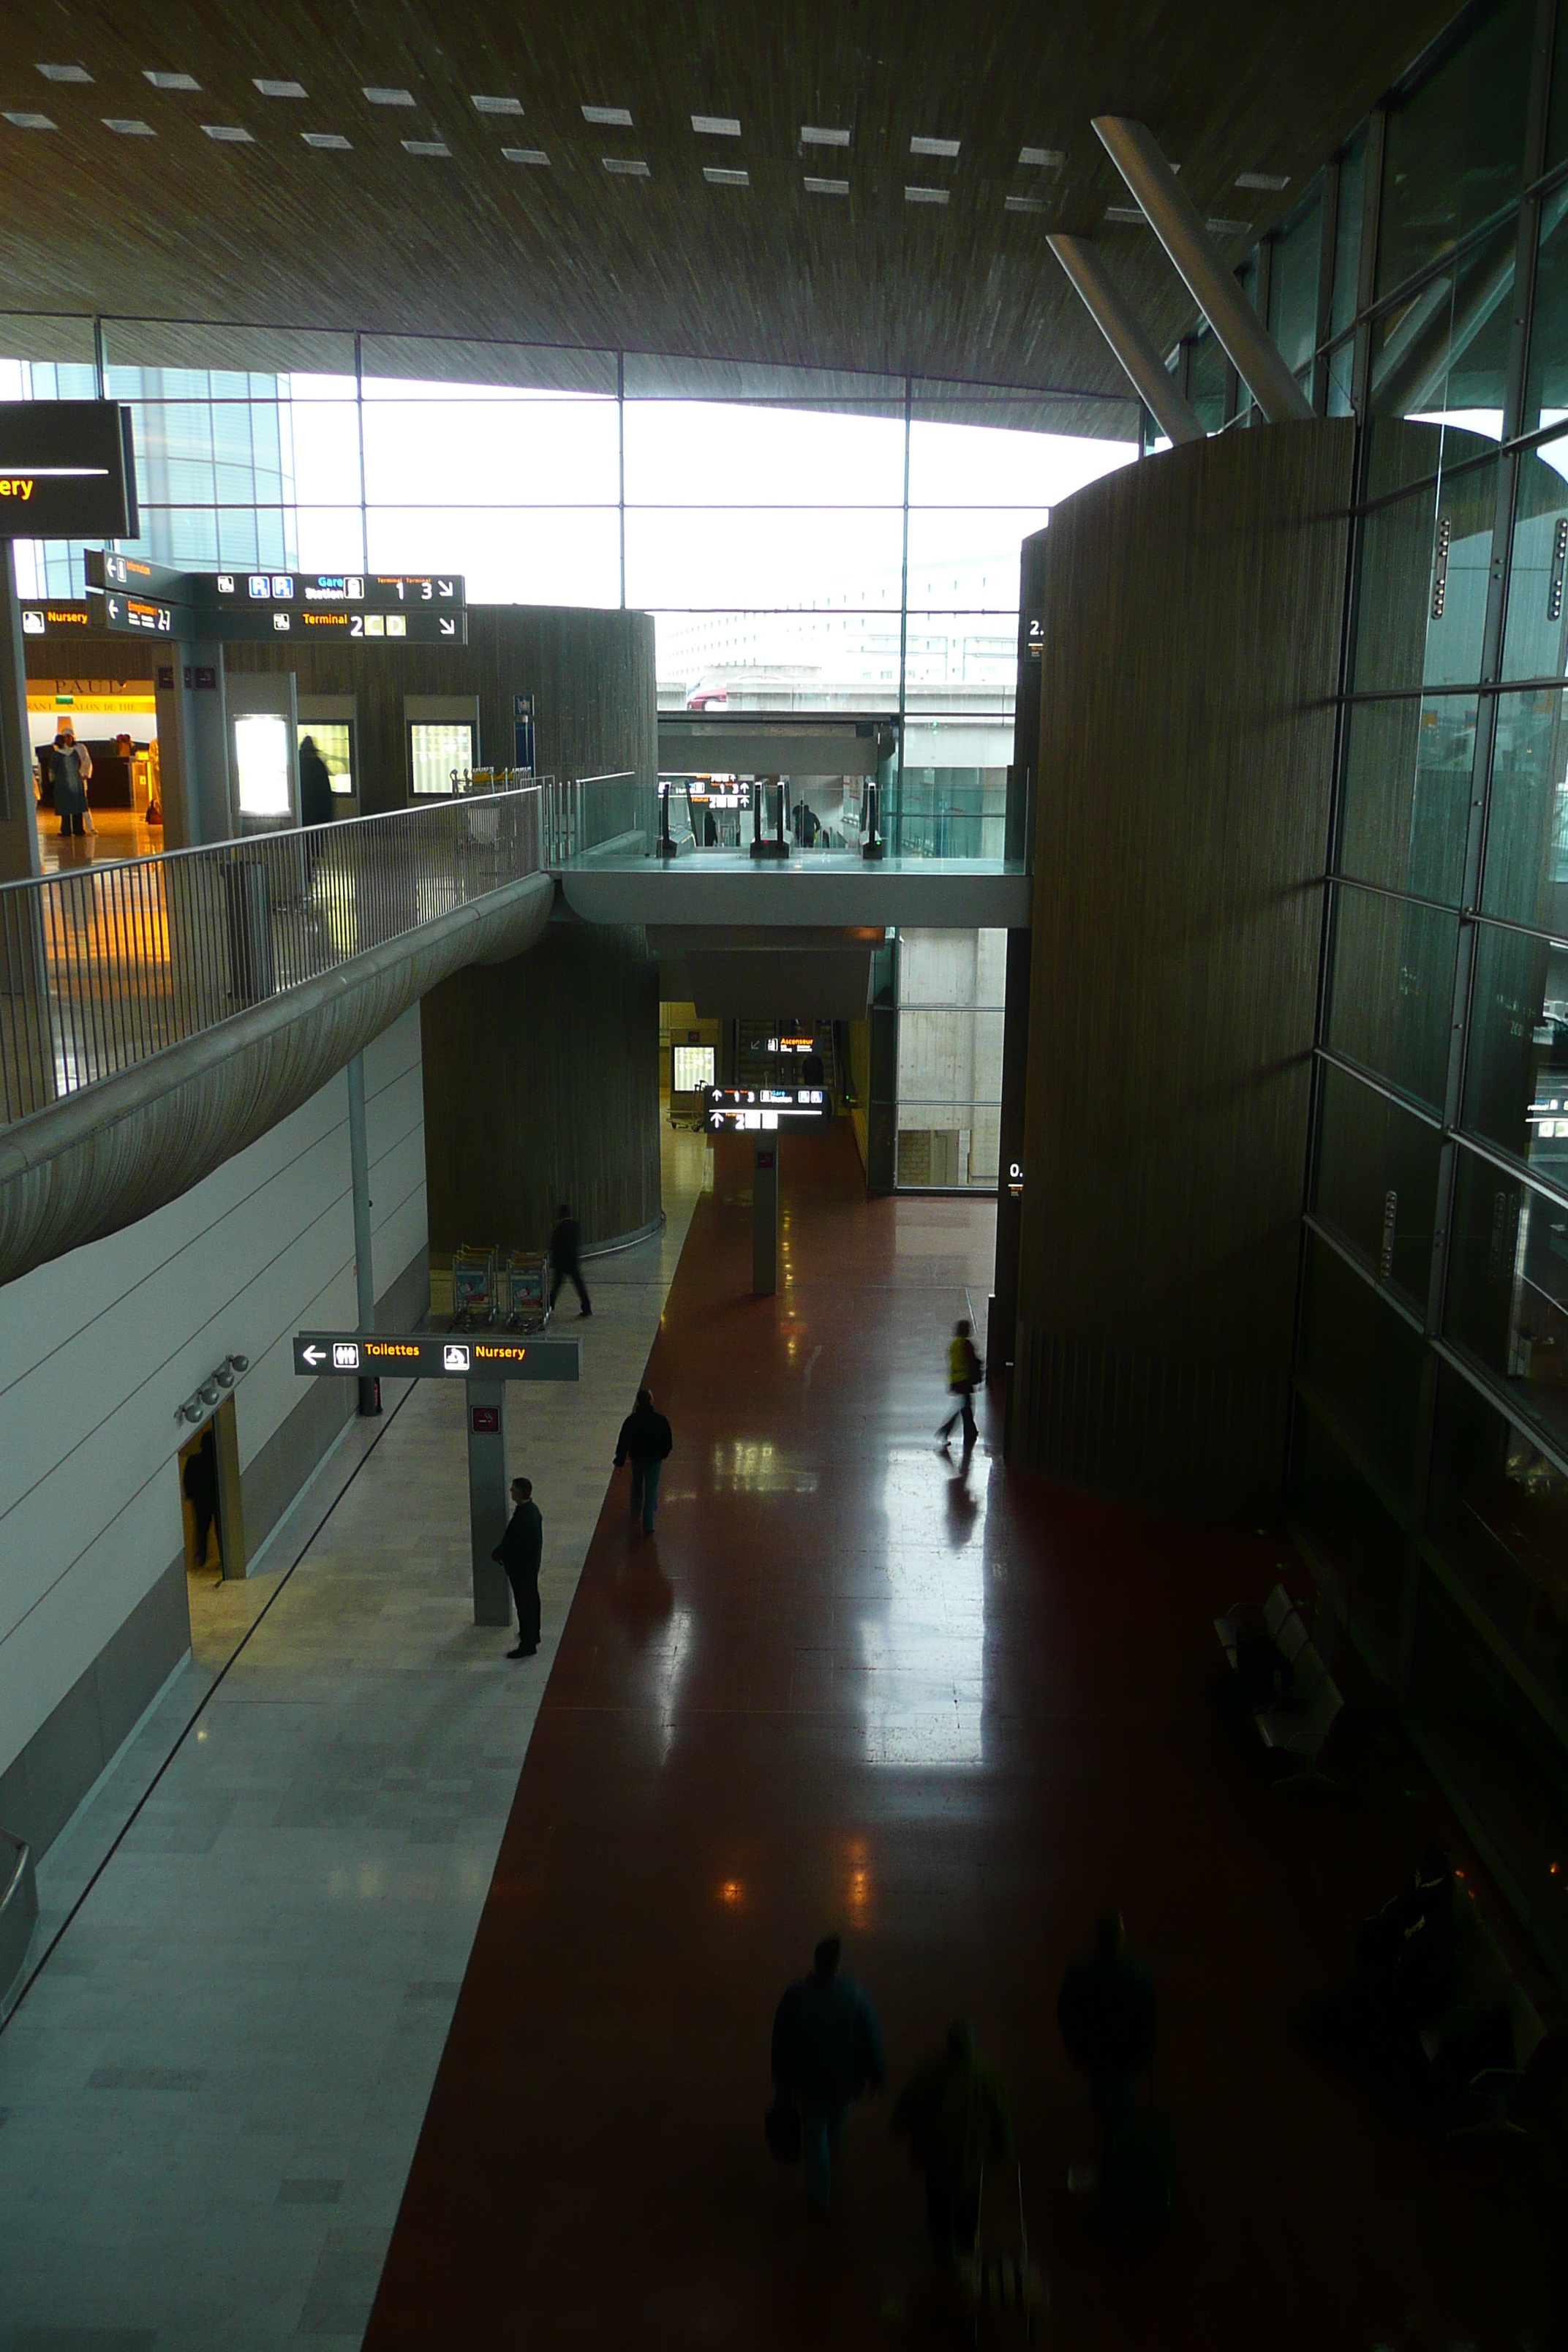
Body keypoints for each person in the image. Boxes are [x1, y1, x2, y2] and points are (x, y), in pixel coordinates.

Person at [771, 1935, 886, 2210]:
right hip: (845, 2079)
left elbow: (781, 2042)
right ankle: (834, 2148)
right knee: (836, 2117)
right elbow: (870, 2038)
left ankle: (820, 2193)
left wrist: (781, 2082)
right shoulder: (854, 1995)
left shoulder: (796, 1996)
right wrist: (876, 2075)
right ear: (837, 1964)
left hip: (809, 2079)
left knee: (813, 2133)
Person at [891, 2019, 1014, 2261]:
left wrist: (899, 2127)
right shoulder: (987, 2074)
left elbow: (910, 2101)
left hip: (937, 2150)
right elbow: (1000, 2114)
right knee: (968, 2202)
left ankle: (943, 2247)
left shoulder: (932, 2071)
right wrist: (1005, 2147)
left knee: (938, 2200)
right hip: (974, 2152)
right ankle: (966, 2247)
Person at [1058, 1911, 1157, 2128]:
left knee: (1102, 2105)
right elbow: (1148, 2012)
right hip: (1126, 2051)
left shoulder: (1081, 1970)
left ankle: (1107, 2143)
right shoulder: (1137, 1969)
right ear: (1120, 1935)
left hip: (1096, 2050)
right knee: (1122, 2106)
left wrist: (1077, 2046)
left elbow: (1067, 2011)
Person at [491, 1474, 543, 1659]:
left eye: (513, 1489)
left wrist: (498, 1555)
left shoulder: (523, 1517)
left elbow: (512, 1542)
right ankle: (533, 1634)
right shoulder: (533, 1511)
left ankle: (528, 1644)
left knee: (524, 1605)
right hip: (530, 1567)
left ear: (520, 1494)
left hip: (522, 1570)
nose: (510, 1491)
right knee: (532, 1600)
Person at [614, 1388, 673, 1535]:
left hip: (637, 1459)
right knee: (651, 1490)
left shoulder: (631, 1421)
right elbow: (668, 1442)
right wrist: (662, 1455)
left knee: (636, 1485)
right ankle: (648, 1525)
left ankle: (635, 1512)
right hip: (654, 1461)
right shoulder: (661, 1420)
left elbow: (623, 1442)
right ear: (651, 1401)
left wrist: (620, 1461)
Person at [937, 1319, 982, 1452]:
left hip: (956, 1380)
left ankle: (971, 1431)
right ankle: (947, 1430)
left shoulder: (954, 1344)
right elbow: (973, 1361)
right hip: (965, 1379)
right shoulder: (966, 1344)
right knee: (966, 1407)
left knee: (965, 1407)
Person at [182, 1429, 219, 1571]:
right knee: (220, 1530)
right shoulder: (218, 1459)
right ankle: (223, 1557)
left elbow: (188, 1479)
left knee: (201, 1530)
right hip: (217, 1499)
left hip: (201, 1501)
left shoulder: (194, 1459)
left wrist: (191, 1496)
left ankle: (201, 1558)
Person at [549, 1202, 592, 1318]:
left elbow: (554, 1245)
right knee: (579, 1285)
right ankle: (586, 1307)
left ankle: (549, 1305)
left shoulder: (559, 1227)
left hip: (561, 1262)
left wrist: (553, 1261)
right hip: (572, 1260)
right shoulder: (575, 1225)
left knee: (556, 1285)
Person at [49, 725, 92, 837]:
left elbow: (52, 770)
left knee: (66, 808)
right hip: (76, 783)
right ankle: (78, 829)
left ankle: (66, 830)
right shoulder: (74, 753)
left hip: (63, 784)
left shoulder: (57, 754)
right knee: (77, 806)